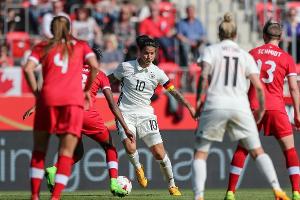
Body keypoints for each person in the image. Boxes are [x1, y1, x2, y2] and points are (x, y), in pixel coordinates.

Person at [192, 13, 289, 200]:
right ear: (236, 35)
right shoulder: (245, 55)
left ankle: (199, 196)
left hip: (216, 103)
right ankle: (277, 190)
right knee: (257, 151)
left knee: (201, 153)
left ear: (219, 35)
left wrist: (197, 102)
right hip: (240, 106)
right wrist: (260, 108)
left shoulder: (211, 51)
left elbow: (203, 77)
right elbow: (258, 86)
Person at [23, 47, 135, 197]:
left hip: (67, 115)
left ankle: (54, 170)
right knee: (110, 146)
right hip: (87, 116)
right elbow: (112, 104)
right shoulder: (100, 74)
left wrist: (36, 106)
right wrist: (125, 126)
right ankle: (114, 182)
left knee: (77, 152)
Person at [23, 16, 100, 200]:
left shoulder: (42, 46)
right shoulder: (81, 46)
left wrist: (37, 94)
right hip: (72, 101)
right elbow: (95, 66)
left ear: (51, 29)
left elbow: (27, 69)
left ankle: (34, 196)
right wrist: (87, 90)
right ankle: (55, 197)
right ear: (70, 28)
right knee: (66, 153)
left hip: (48, 99)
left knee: (39, 150)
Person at [108, 35, 195, 196]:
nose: (149, 57)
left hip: (146, 115)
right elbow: (107, 81)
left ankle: (172, 185)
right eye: (146, 53)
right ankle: (138, 168)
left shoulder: (158, 73)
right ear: (140, 52)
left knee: (159, 153)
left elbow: (173, 91)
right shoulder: (126, 67)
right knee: (130, 145)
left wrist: (189, 106)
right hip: (125, 113)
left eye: (152, 53)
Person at [224, 20, 300, 200]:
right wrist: (297, 113)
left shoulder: (252, 53)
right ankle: (296, 192)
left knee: (242, 149)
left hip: (253, 107)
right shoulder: (286, 58)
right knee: (289, 150)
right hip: (276, 108)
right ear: (280, 38)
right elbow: (294, 89)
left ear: (264, 36)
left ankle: (230, 192)